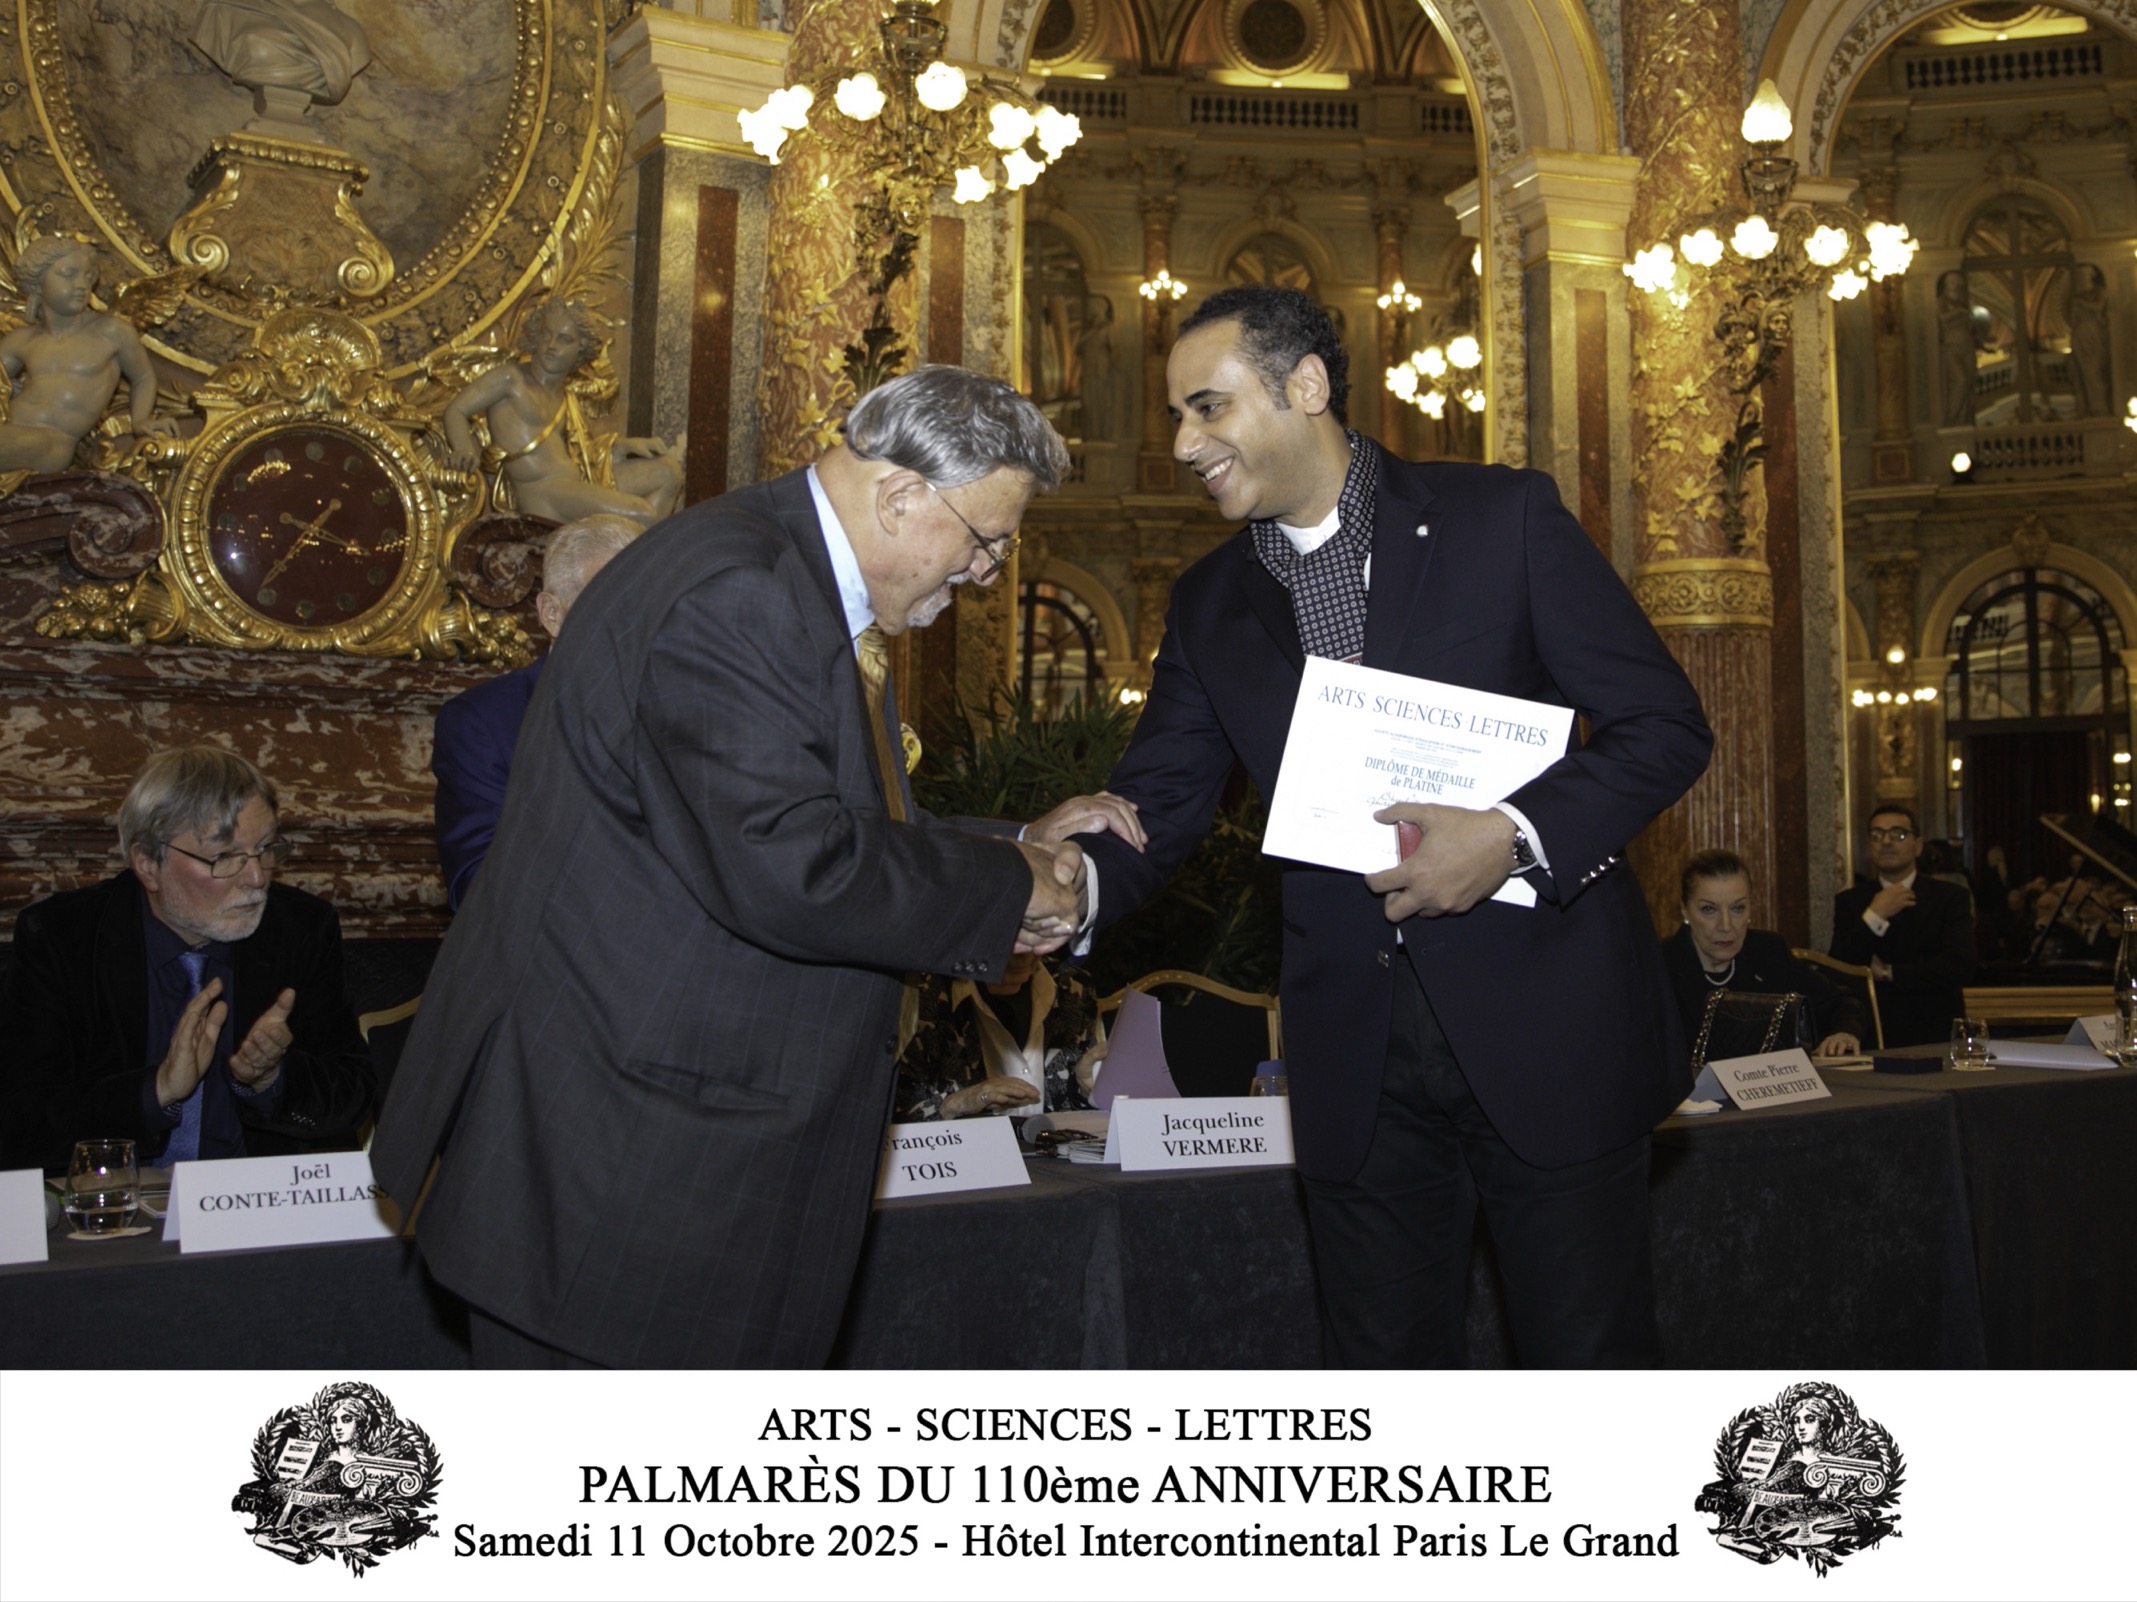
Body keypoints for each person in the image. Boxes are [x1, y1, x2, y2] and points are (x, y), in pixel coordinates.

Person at [369, 365, 1115, 1368]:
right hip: (627, 1176)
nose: (986, 575)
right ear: (899, 497)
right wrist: (1006, 888)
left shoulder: (772, 570)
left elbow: (805, 816)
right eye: (985, 541)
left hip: (654, 1153)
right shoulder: (742, 591)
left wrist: (1007, 852)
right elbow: (786, 862)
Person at [1066, 286, 1713, 1367]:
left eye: (1207, 408)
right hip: (1354, 1069)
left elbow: (1664, 727)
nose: (1182, 444)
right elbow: (1159, 804)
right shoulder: (1208, 603)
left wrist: (1508, 834)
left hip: (1550, 1040)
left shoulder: (1499, 519)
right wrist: (1055, 891)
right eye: (1177, 417)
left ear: (1305, 386)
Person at [0, 746, 374, 1175]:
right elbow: (18, 1122)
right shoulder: (63, 939)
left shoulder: (301, 929)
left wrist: (270, 1080)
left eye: (267, 848)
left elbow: (353, 1094)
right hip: (115, 1213)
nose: (256, 878)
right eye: (224, 857)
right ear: (147, 863)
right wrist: (155, 1091)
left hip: (255, 1208)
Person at [432, 513, 641, 910]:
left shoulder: (689, 706)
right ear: (551, 614)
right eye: (611, 601)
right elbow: (476, 887)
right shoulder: (483, 724)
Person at [442, 299, 682, 528]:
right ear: (536, 336)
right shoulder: (511, 378)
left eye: (564, 339)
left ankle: (621, 552)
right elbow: (457, 409)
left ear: (581, 350)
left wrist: (624, 446)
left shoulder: (565, 397)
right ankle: (631, 563)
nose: (552, 345)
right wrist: (464, 448)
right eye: (547, 334)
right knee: (643, 514)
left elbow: (583, 451)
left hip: (576, 483)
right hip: (543, 492)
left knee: (668, 471)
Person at [1662, 848, 1865, 1062]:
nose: (1726, 925)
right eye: (1709, 910)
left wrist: (1845, 1033)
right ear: (1684, 910)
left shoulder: (1767, 951)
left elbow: (1843, 1003)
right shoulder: (1660, 964)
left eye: (1738, 908)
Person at [0, 238, 176, 475]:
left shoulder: (110, 331)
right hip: (11, 429)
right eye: (69, 274)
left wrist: (141, 419)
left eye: (87, 276)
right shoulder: (21, 340)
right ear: (37, 284)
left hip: (52, 443)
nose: (82, 284)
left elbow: (143, 376)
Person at [1829, 803, 1977, 1047]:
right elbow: (1840, 967)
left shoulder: (1950, 897)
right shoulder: (1850, 901)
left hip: (1935, 1031)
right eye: (1877, 835)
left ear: (1918, 846)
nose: (1886, 842)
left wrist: (1889, 973)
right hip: (1874, 1033)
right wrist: (1875, 916)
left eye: (1897, 834)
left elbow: (1961, 965)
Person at [893, 953, 1104, 1121]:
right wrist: (955, 1106)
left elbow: (1071, 1122)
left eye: (1032, 935)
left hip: (1056, 1168)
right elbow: (888, 1114)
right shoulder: (923, 993)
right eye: (1008, 935)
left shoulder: (1072, 986)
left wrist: (1083, 1088)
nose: (1021, 952)